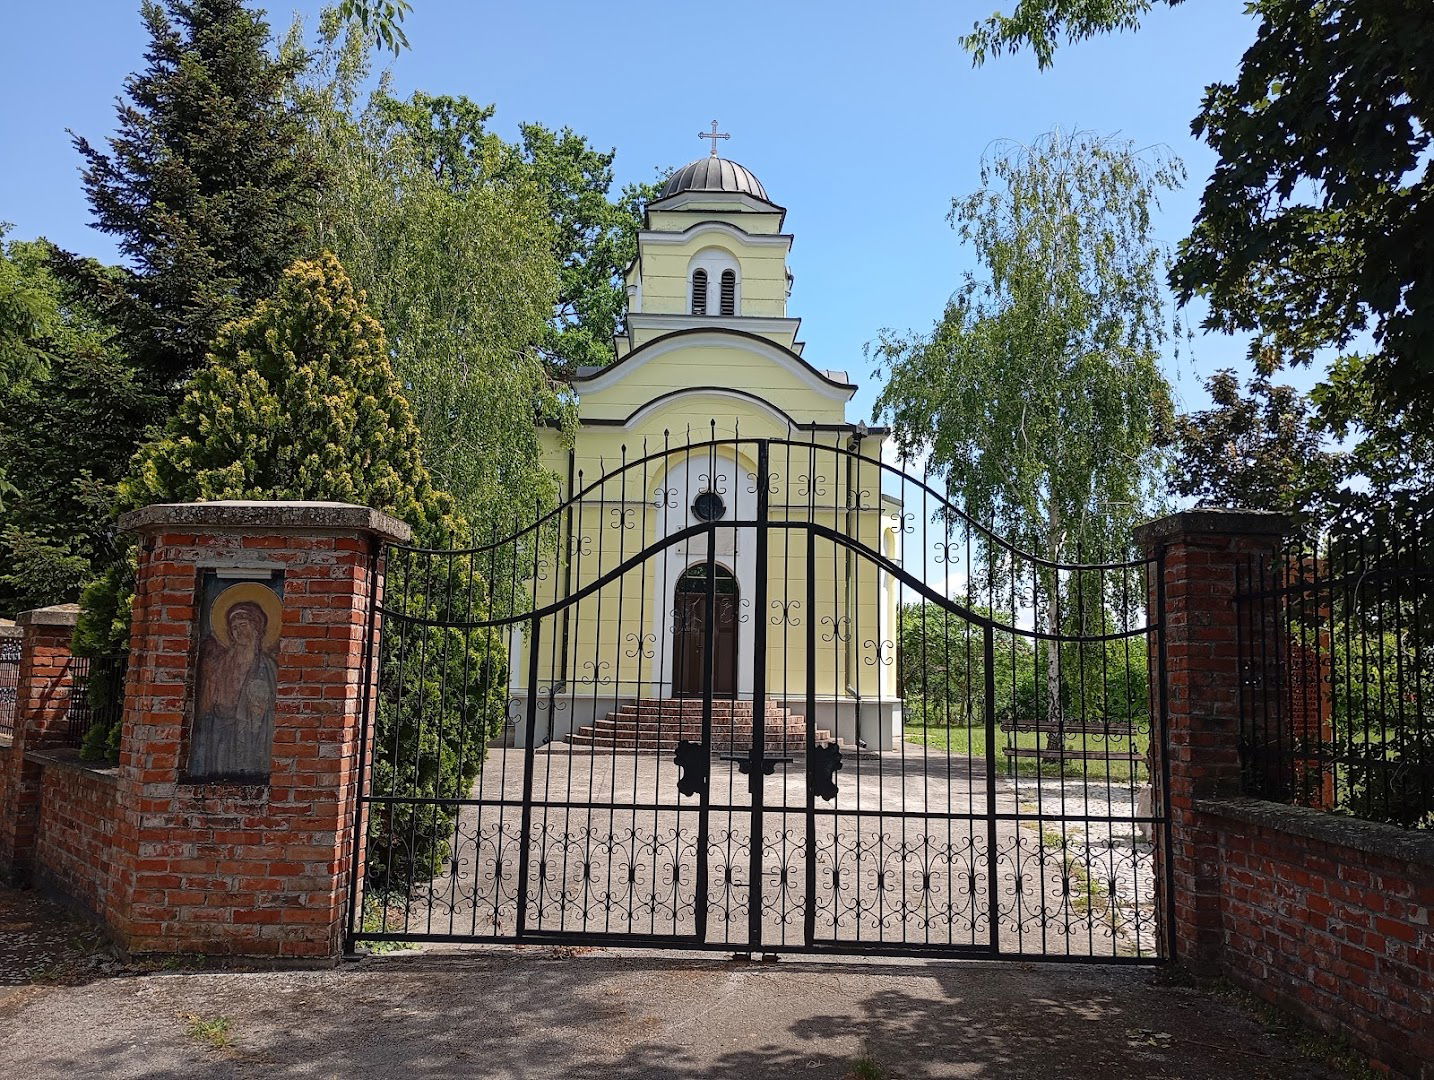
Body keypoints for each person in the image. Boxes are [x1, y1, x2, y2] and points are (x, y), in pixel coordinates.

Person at [189, 598, 279, 779]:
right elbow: (207, 700)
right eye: (235, 628)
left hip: (252, 734)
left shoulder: (267, 665)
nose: (239, 631)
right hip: (220, 731)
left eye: (243, 625)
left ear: (256, 628)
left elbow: (273, 707)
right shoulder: (222, 663)